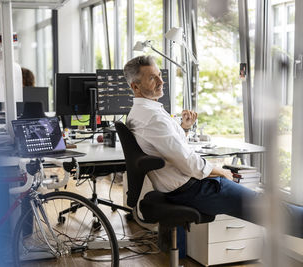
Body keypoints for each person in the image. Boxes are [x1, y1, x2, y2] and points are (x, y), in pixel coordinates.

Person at [123, 55, 302, 237]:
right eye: (152, 78)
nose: (161, 81)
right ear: (135, 86)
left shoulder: (140, 112)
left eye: (159, 74)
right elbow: (187, 162)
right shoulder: (152, 117)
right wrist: (220, 172)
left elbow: (168, 149)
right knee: (272, 210)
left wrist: (184, 128)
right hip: (193, 190)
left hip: (182, 187)